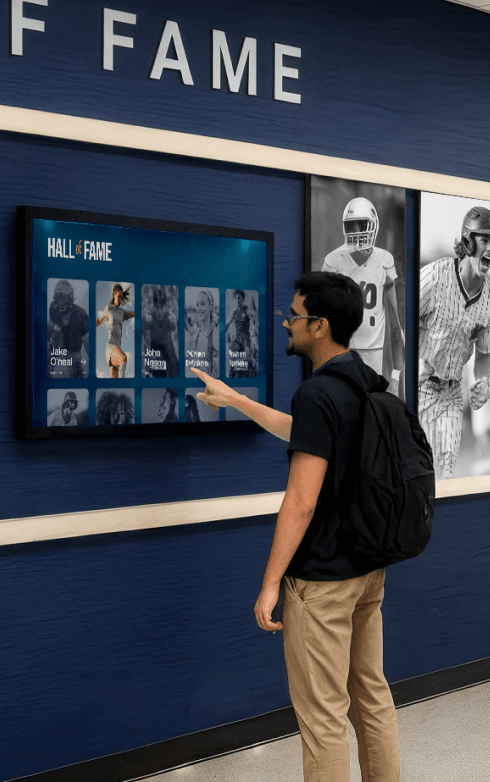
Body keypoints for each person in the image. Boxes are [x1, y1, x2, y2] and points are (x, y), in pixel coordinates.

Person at [191, 272, 401, 782]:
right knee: (370, 696)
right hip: (368, 572)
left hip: (322, 583)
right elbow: (301, 430)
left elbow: (300, 503)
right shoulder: (365, 384)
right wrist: (237, 400)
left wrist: (269, 586)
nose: (287, 321)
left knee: (323, 716)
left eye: (295, 315)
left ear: (319, 327)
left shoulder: (317, 393)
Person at [418, 205, 490, 480]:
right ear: (468, 241)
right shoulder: (434, 277)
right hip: (418, 388)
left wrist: (483, 382)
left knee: (443, 478)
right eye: (485, 240)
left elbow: (483, 358)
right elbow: (401, 323)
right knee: (415, 472)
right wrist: (410, 363)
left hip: (452, 393)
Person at [322, 197, 405, 396]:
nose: (356, 232)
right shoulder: (333, 260)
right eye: (351, 226)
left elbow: (394, 325)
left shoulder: (384, 260)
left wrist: (396, 378)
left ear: (373, 225)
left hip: (373, 356)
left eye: (361, 225)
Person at [49, 279, 89, 378]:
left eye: (64, 298)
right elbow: (49, 326)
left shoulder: (81, 316)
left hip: (73, 347)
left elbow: (87, 343)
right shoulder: (53, 308)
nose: (61, 303)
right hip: (57, 342)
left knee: (76, 373)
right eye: (59, 298)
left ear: (70, 298)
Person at [97, 283, 134, 378]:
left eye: (122, 298)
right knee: (124, 358)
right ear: (114, 294)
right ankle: (124, 385)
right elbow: (99, 320)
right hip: (111, 346)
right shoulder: (109, 308)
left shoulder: (122, 312)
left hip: (118, 347)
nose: (120, 299)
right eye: (119, 296)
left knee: (114, 382)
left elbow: (133, 313)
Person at [141, 285, 179, 378]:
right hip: (154, 343)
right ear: (154, 306)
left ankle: (174, 389)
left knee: (174, 361)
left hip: (167, 343)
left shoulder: (171, 318)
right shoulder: (148, 318)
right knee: (157, 372)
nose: (159, 311)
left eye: (162, 307)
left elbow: (174, 339)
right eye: (157, 307)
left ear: (165, 306)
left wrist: (173, 355)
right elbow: (145, 341)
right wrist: (147, 366)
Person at [185, 288, 218, 374]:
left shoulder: (217, 337)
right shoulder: (194, 337)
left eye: (202, 304)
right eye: (197, 304)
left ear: (210, 307)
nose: (199, 308)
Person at [225, 289, 257, 377]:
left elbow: (253, 320)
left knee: (248, 356)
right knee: (230, 348)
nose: (237, 300)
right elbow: (228, 323)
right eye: (236, 298)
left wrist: (255, 324)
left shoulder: (247, 310)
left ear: (242, 299)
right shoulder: (233, 311)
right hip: (238, 338)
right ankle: (234, 369)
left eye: (239, 298)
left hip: (246, 338)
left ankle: (253, 365)